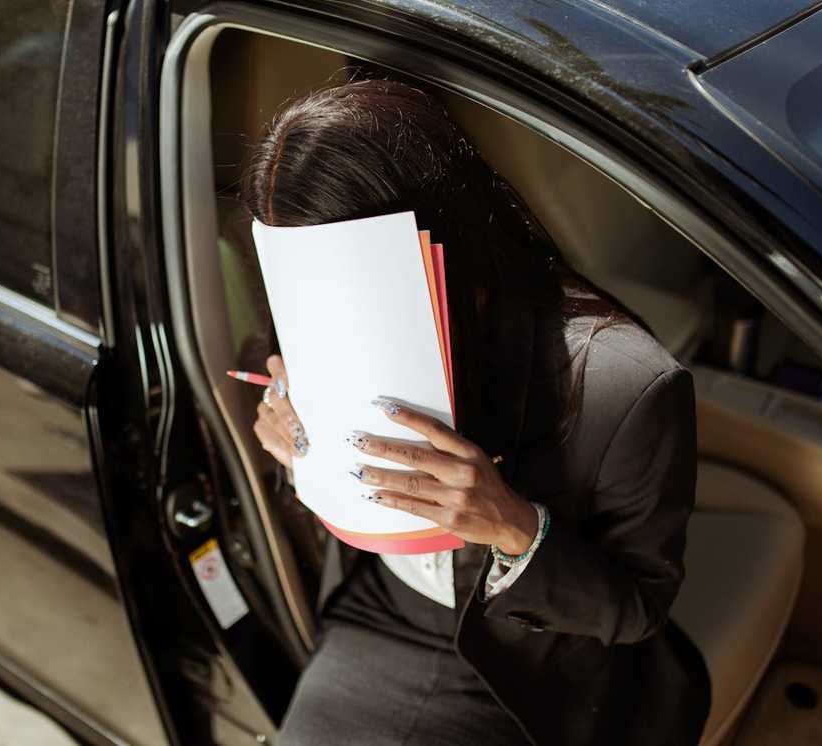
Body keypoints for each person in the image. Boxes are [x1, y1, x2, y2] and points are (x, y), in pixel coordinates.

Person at [240, 76, 711, 746]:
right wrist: (299, 449)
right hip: (381, 606)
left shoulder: (624, 385)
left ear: (438, 239)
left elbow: (639, 609)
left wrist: (517, 527)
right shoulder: (308, 309)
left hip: (534, 656)